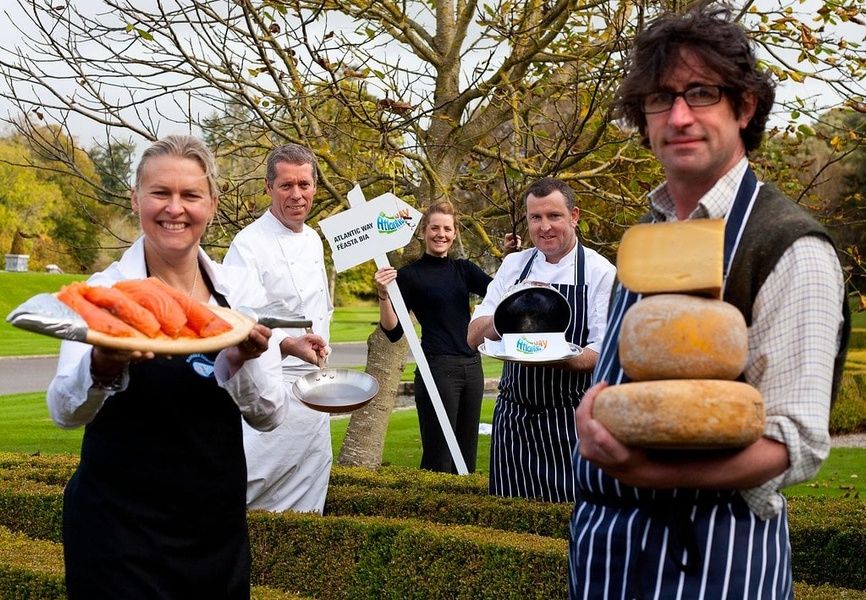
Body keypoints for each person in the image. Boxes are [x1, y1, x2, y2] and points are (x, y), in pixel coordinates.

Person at [568, 5, 850, 599]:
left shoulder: (789, 246)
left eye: (701, 93)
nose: (678, 116)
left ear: (743, 107)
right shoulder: (649, 233)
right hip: (608, 550)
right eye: (659, 98)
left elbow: (792, 441)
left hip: (715, 554)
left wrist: (642, 472)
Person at [47, 135, 324, 599]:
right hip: (117, 533)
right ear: (136, 197)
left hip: (213, 532)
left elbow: (269, 413)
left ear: (211, 203)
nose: (174, 208)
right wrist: (102, 364)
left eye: (190, 195)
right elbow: (63, 410)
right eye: (160, 193)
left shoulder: (237, 293)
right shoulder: (104, 293)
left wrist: (241, 360)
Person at [467, 178, 616, 502]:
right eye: (535, 218)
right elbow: (473, 336)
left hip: (569, 418)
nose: (544, 227)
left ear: (574, 216)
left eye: (554, 216)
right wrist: (510, 310)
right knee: (508, 515)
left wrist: (554, 355)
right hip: (513, 417)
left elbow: (602, 350)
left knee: (570, 514)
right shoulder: (514, 265)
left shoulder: (599, 271)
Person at [224, 143, 334, 513]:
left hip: (315, 388)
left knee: (311, 480)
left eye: (304, 184)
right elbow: (240, 317)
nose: (297, 195)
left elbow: (320, 309)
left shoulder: (315, 240)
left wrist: (317, 348)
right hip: (270, 386)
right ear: (269, 188)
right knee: (251, 483)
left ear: (315, 187)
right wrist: (289, 344)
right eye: (286, 185)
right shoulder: (248, 244)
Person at [374, 201, 493, 473]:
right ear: (423, 231)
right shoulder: (409, 275)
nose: (441, 234)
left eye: (447, 229)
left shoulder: (464, 270)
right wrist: (383, 295)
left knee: (466, 456)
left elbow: (500, 291)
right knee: (439, 457)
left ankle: (462, 512)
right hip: (437, 370)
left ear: (455, 233)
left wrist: (511, 254)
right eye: (435, 228)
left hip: (473, 369)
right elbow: (393, 331)